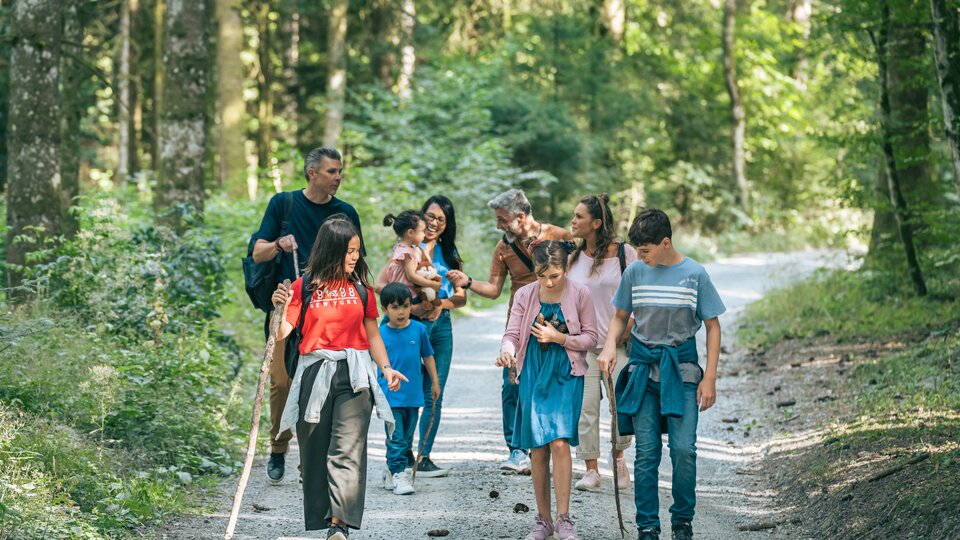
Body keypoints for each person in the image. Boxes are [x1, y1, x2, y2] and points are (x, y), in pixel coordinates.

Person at [271, 217, 405, 540]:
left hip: (355, 374)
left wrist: (385, 368)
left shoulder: (361, 290)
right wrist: (279, 307)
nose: (355, 257)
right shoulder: (304, 287)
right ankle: (324, 517)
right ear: (331, 251)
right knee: (314, 451)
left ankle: (339, 525)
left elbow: (372, 333)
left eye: (357, 251)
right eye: (349, 252)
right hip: (314, 373)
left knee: (347, 449)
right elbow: (283, 332)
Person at [597, 209, 725, 540]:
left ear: (665, 242)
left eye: (645, 250)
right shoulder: (636, 273)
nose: (638, 257)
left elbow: (712, 326)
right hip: (642, 372)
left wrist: (708, 377)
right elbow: (619, 317)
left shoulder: (695, 274)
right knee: (647, 453)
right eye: (637, 251)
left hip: (681, 372)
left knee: (684, 450)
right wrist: (610, 345)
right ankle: (648, 527)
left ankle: (682, 521)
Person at [250, 146, 364, 484]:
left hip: (330, 312)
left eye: (340, 171)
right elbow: (257, 253)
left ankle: (311, 458)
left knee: (321, 384)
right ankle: (278, 446)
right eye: (332, 171)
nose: (338, 177)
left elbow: (357, 261)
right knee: (282, 381)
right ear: (311, 173)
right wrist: (278, 245)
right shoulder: (283, 204)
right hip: (287, 305)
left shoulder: (345, 212)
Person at [446, 189, 571, 474]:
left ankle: (552, 446)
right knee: (511, 386)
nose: (499, 225)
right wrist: (467, 282)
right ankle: (516, 450)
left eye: (502, 220)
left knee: (552, 384)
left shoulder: (560, 236)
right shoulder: (503, 248)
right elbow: (493, 289)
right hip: (519, 324)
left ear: (521, 217)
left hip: (557, 324)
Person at [497, 240, 598, 540]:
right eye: (542, 275)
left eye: (554, 274)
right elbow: (512, 334)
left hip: (567, 371)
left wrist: (560, 338)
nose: (549, 281)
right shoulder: (525, 294)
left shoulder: (580, 292)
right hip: (533, 370)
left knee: (558, 442)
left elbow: (591, 338)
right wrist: (507, 350)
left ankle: (564, 519)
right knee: (537, 447)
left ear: (566, 267)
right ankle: (543, 521)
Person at [375, 195, 466, 478]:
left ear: (447, 223)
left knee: (433, 393)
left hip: (441, 329)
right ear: (419, 218)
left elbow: (461, 297)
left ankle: (423, 456)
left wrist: (441, 306)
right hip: (407, 325)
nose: (434, 223)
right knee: (401, 392)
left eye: (441, 219)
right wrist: (410, 307)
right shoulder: (405, 249)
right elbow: (380, 285)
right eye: (430, 217)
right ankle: (400, 455)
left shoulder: (449, 253)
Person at [566, 194, 636, 492]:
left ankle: (618, 458)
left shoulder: (626, 254)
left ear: (596, 223)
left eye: (579, 216)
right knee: (586, 408)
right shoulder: (572, 257)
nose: (573, 221)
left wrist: (619, 336)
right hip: (584, 347)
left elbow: (637, 299)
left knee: (622, 405)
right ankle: (591, 469)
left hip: (618, 343)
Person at [377, 283, 441, 496]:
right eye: (395, 307)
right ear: (385, 309)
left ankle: (389, 470)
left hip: (413, 396)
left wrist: (434, 382)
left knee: (406, 438)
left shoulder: (419, 329)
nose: (401, 311)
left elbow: (428, 356)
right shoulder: (379, 334)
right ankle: (398, 473)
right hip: (390, 395)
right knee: (396, 437)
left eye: (405, 306)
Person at [382, 211, 442, 306]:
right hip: (407, 295)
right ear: (410, 232)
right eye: (422, 231)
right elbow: (412, 276)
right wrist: (431, 284)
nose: (424, 235)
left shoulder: (403, 248)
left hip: (402, 293)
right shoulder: (406, 253)